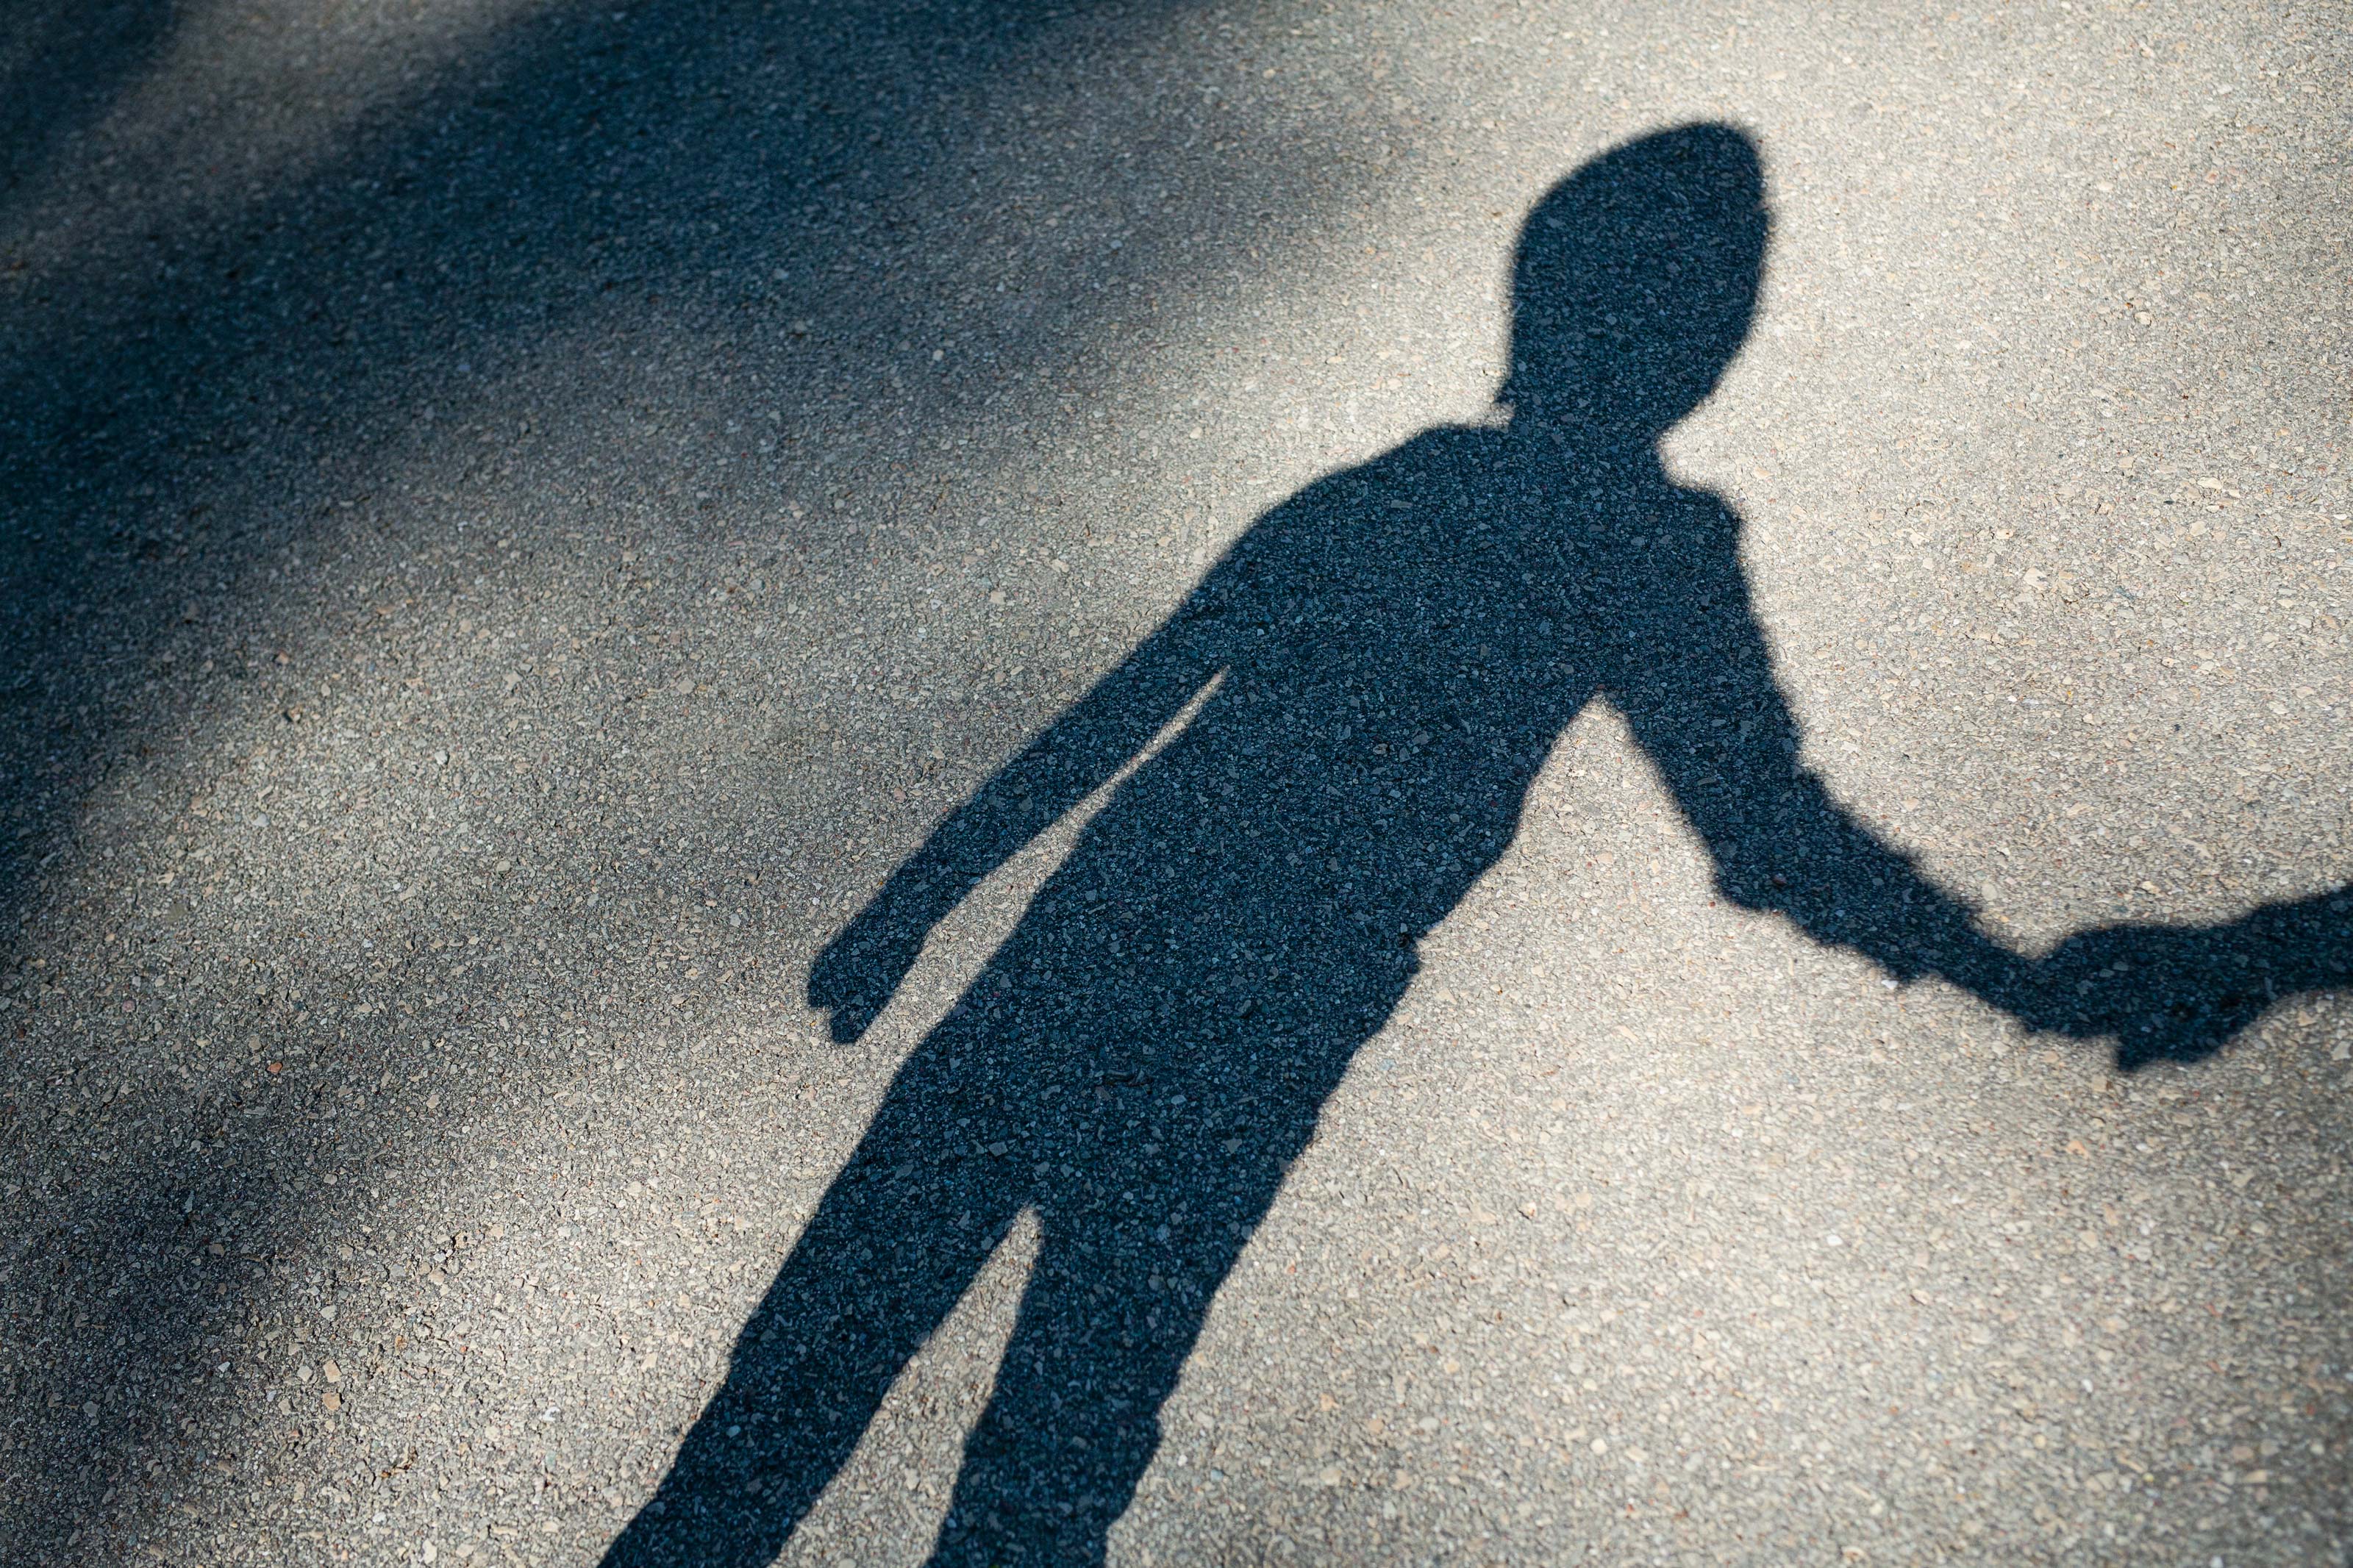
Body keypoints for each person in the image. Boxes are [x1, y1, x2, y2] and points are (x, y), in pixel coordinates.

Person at [604, 123, 2348, 1567]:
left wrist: (914, 902)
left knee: (780, 1418)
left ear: (1537, 301)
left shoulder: (1394, 489)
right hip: (1242, 1050)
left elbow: (1127, 708)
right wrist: (2007, 976)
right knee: (1044, 1475)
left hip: (1063, 976)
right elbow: (1770, 836)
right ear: (1700, 342)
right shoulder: (1642, 554)